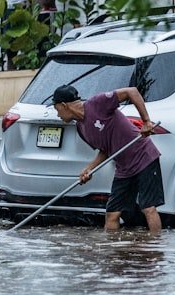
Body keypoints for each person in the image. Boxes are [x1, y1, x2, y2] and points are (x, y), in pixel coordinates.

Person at [52, 84, 164, 234]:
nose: (58, 115)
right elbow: (105, 150)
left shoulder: (97, 103)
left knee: (148, 208)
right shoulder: (81, 128)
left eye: (57, 109)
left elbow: (132, 91)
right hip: (124, 168)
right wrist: (89, 168)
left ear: (64, 105)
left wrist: (146, 122)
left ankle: (155, 253)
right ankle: (113, 254)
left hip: (143, 157)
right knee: (112, 214)